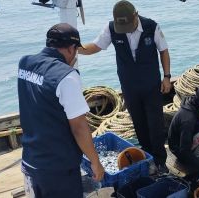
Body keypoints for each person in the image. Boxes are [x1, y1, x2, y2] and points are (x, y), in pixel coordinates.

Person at [79, 0, 170, 172]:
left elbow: (163, 50)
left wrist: (167, 77)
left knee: (155, 124)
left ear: (136, 15)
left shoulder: (152, 26)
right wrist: (76, 48)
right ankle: (147, 155)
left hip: (151, 85)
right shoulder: (111, 28)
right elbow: (96, 46)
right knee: (139, 123)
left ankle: (160, 160)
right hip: (129, 86)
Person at [18, 23, 104, 198]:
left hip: (30, 159)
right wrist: (95, 162)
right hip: (57, 168)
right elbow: (79, 127)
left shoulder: (24, 63)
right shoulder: (67, 76)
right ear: (72, 48)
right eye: (77, 51)